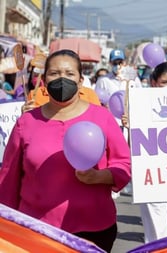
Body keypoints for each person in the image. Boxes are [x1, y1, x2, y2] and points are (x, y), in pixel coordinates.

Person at [0, 49, 131, 252]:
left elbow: (123, 164)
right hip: (37, 232)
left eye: (69, 74)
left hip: (94, 231)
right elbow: (8, 181)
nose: (62, 79)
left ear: (80, 81)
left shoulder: (102, 118)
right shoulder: (26, 123)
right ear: (43, 80)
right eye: (54, 73)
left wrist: (99, 176)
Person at [121, 61, 167, 243]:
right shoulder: (141, 104)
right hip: (152, 173)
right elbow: (131, 147)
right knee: (156, 226)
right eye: (165, 82)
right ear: (154, 82)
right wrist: (131, 126)